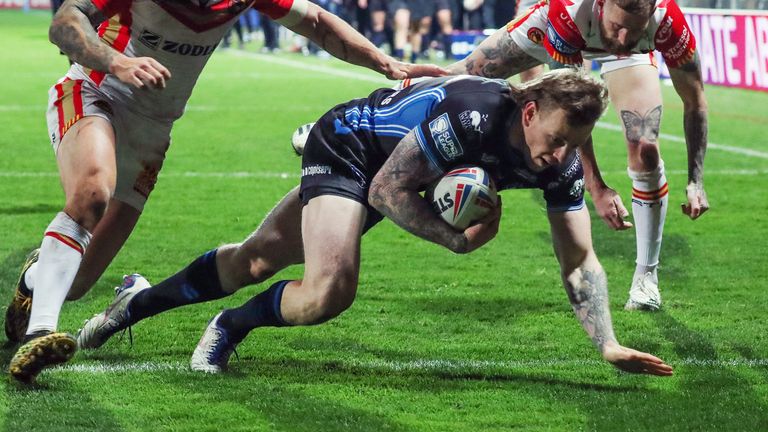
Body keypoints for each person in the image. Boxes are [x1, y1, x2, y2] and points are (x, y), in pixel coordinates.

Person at [78, 70, 674, 378]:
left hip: (398, 168)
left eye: (574, 145)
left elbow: (580, 262)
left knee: (255, 259)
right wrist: (453, 240)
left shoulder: (560, 165)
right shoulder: (475, 117)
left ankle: (134, 302)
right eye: (556, 138)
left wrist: (607, 342)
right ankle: (229, 326)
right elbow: (388, 189)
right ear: (529, 111)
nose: (559, 155)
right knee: (329, 290)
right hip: (351, 144)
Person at [5, 0, 446, 384]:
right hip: (96, 91)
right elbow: (65, 23)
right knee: (92, 193)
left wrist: (388, 65)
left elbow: (314, 21)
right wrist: (116, 61)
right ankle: (40, 333)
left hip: (154, 129)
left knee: (77, 282)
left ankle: (34, 278)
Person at [447, 0, 710, 311]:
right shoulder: (568, 11)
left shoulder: (666, 20)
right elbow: (570, 106)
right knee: (456, 77)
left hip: (618, 49)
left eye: (634, 29)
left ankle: (646, 279)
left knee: (645, 148)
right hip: (562, 27)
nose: (624, 38)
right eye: (618, 26)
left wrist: (695, 181)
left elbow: (695, 100)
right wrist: (596, 187)